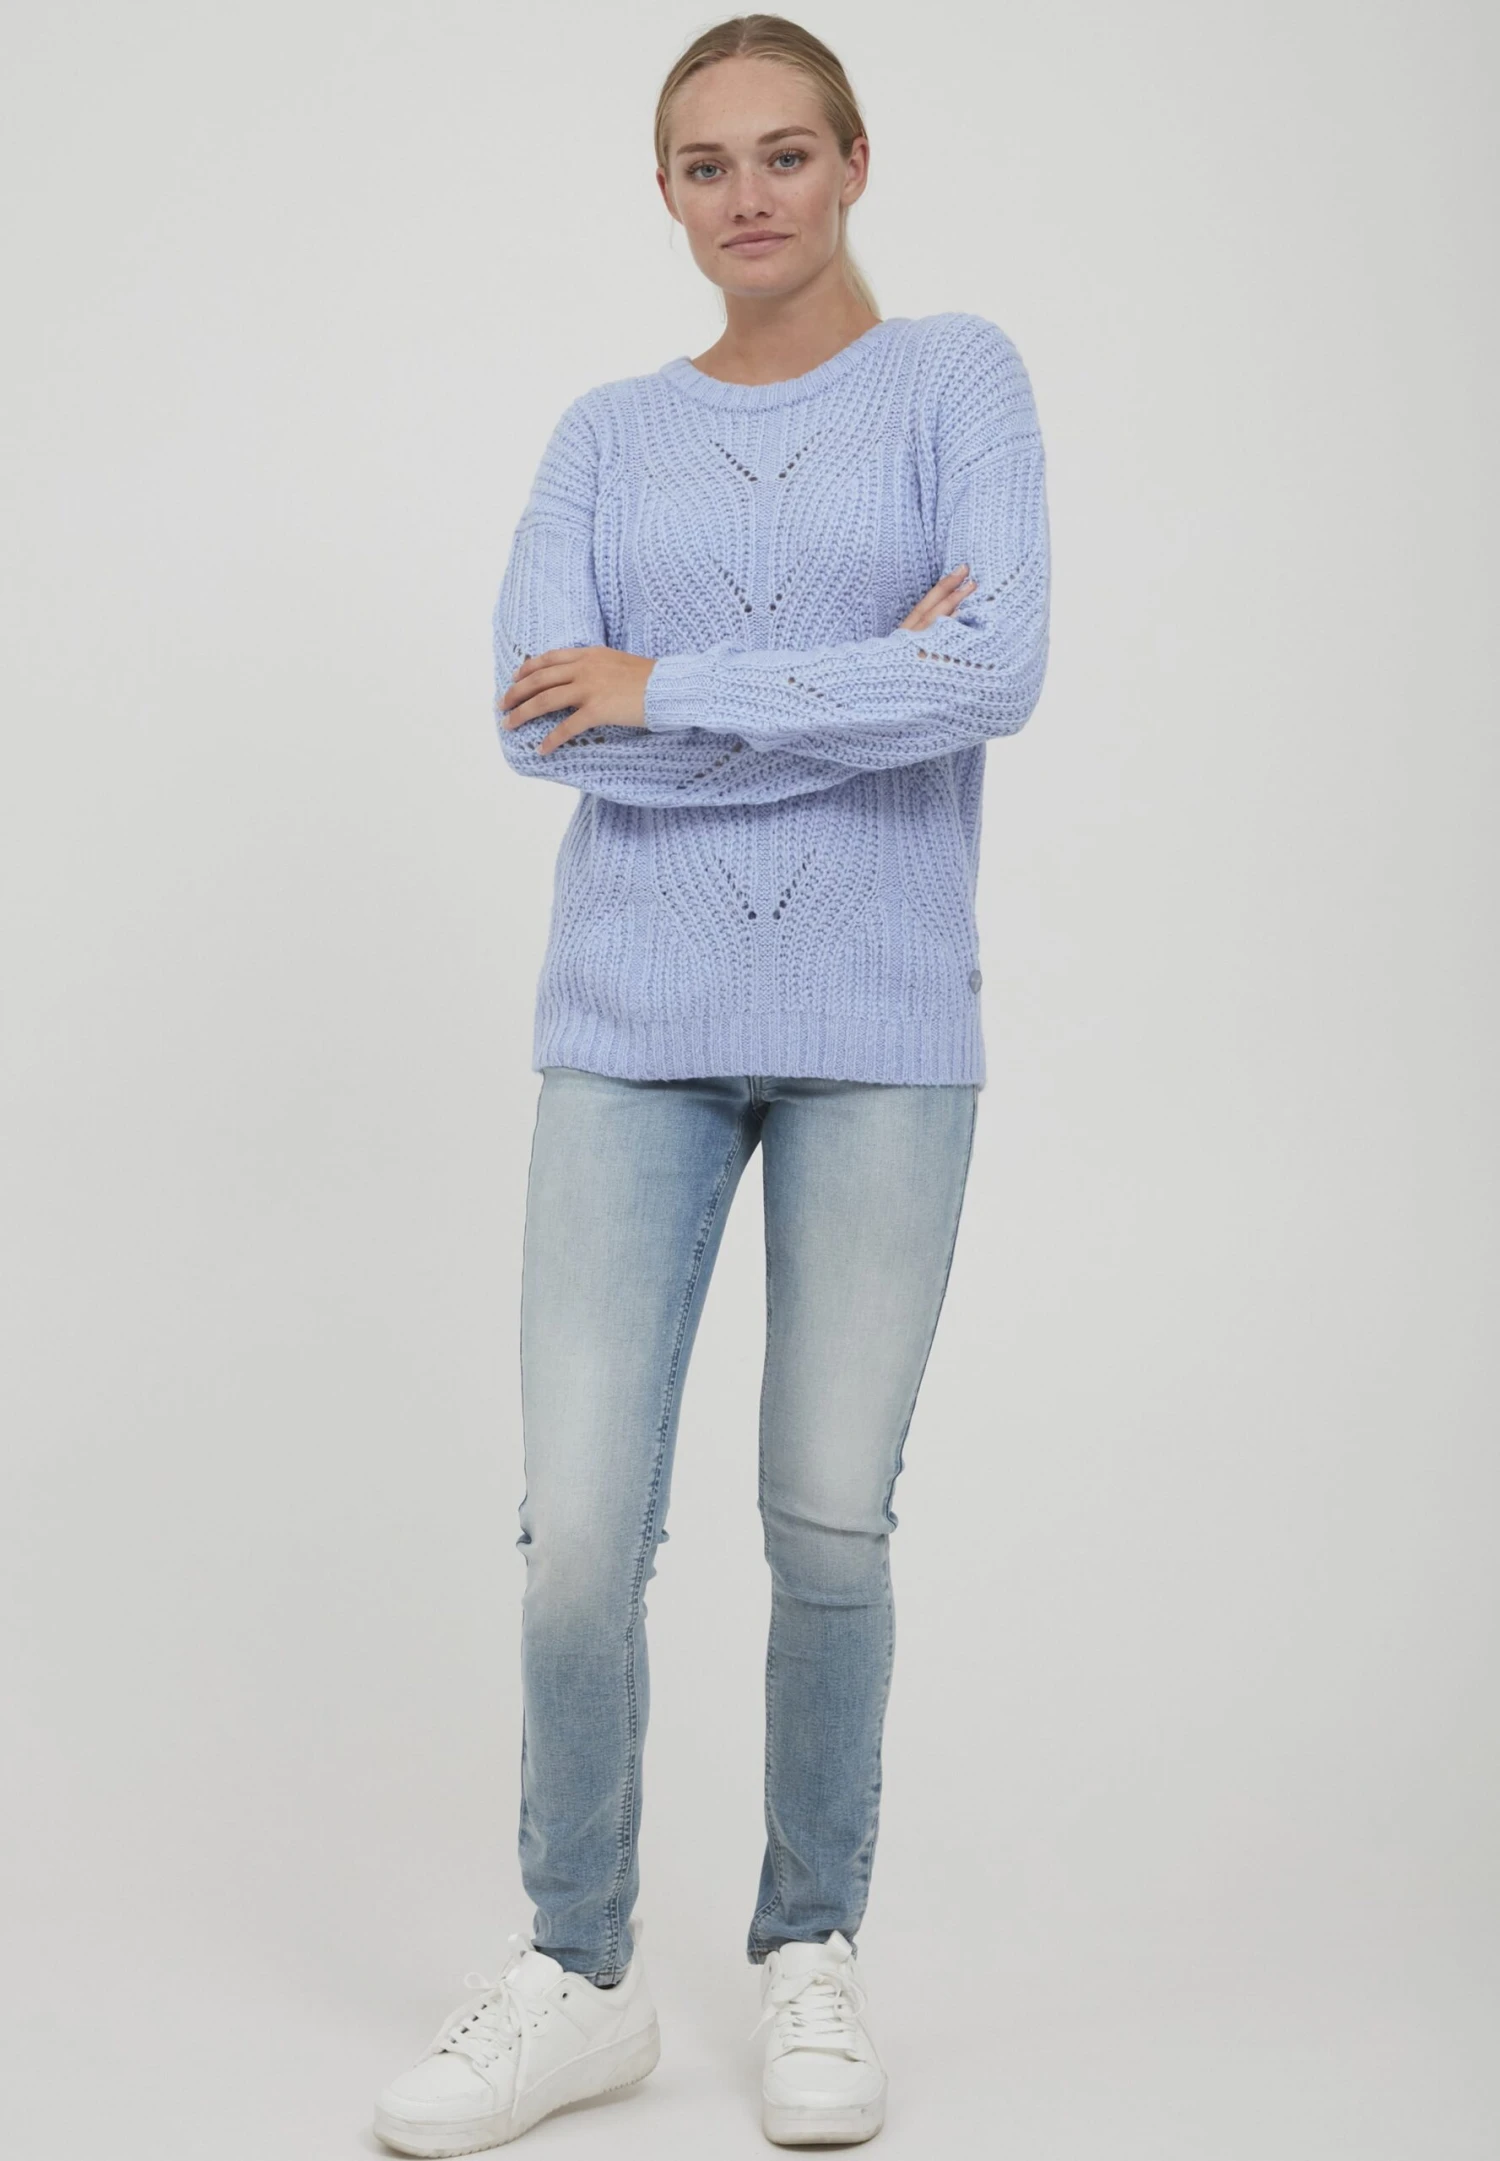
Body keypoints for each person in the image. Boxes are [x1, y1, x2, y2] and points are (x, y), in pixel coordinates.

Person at [373, 11, 1050, 2153]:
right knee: (579, 1530)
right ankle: (580, 1973)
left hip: (884, 1034)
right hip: (629, 1030)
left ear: (854, 162)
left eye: (783, 153)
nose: (746, 196)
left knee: (829, 1517)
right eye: (703, 164)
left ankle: (808, 1949)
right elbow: (534, 724)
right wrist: (860, 688)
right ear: (664, 194)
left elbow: (997, 670)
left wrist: (668, 689)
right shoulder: (605, 434)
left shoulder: (957, 382)